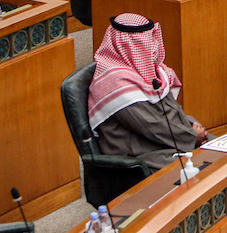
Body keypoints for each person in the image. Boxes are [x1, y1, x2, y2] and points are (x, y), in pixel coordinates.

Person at [87, 13, 208, 170]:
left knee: (225, 146)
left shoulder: (148, 72)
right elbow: (151, 126)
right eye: (147, 41)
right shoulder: (116, 83)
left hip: (164, 140)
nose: (154, 45)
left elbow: (171, 110)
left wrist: (191, 125)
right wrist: (192, 136)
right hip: (139, 153)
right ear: (129, 45)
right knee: (201, 164)